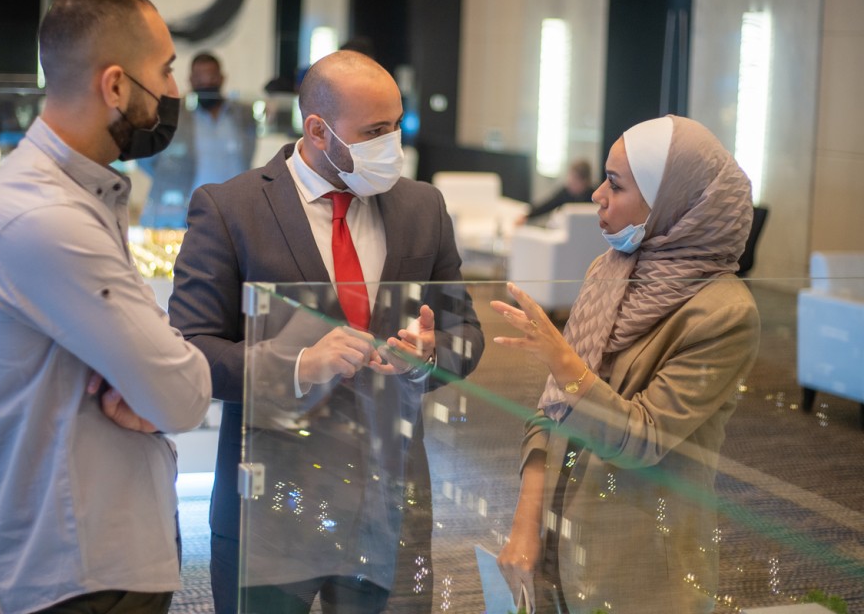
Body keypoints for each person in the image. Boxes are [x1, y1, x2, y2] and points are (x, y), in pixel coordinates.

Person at [168, 49, 484, 614]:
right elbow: (190, 349)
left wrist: (431, 353)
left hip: (390, 499)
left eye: (396, 126)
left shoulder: (422, 207)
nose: (392, 144)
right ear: (317, 130)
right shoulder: (230, 209)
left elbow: (466, 331)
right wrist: (297, 366)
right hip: (274, 503)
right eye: (374, 132)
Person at [0, 0, 213, 614]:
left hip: (102, 543)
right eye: (165, 71)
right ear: (116, 86)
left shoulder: (76, 195)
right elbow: (182, 392)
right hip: (84, 567)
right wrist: (158, 388)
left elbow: (158, 375)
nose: (174, 91)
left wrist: (153, 384)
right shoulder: (48, 218)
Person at [492, 115, 761, 613]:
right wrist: (526, 525)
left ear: (671, 202)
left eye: (615, 184)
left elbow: (642, 440)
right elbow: (551, 412)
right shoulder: (611, 270)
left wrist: (563, 361)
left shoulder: (723, 313)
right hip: (558, 544)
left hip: (641, 571)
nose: (597, 195)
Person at [137, 51, 257, 227]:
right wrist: (171, 178)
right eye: (200, 79)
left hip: (234, 212)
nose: (206, 83)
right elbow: (147, 158)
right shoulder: (176, 115)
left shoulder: (242, 115)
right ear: (191, 80)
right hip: (185, 213)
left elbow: (248, 154)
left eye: (211, 77)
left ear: (221, 78)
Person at [522, 157, 595, 224]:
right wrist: (528, 215)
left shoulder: (594, 197)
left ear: (585, 181)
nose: (569, 184)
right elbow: (547, 205)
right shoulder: (566, 192)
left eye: (574, 182)